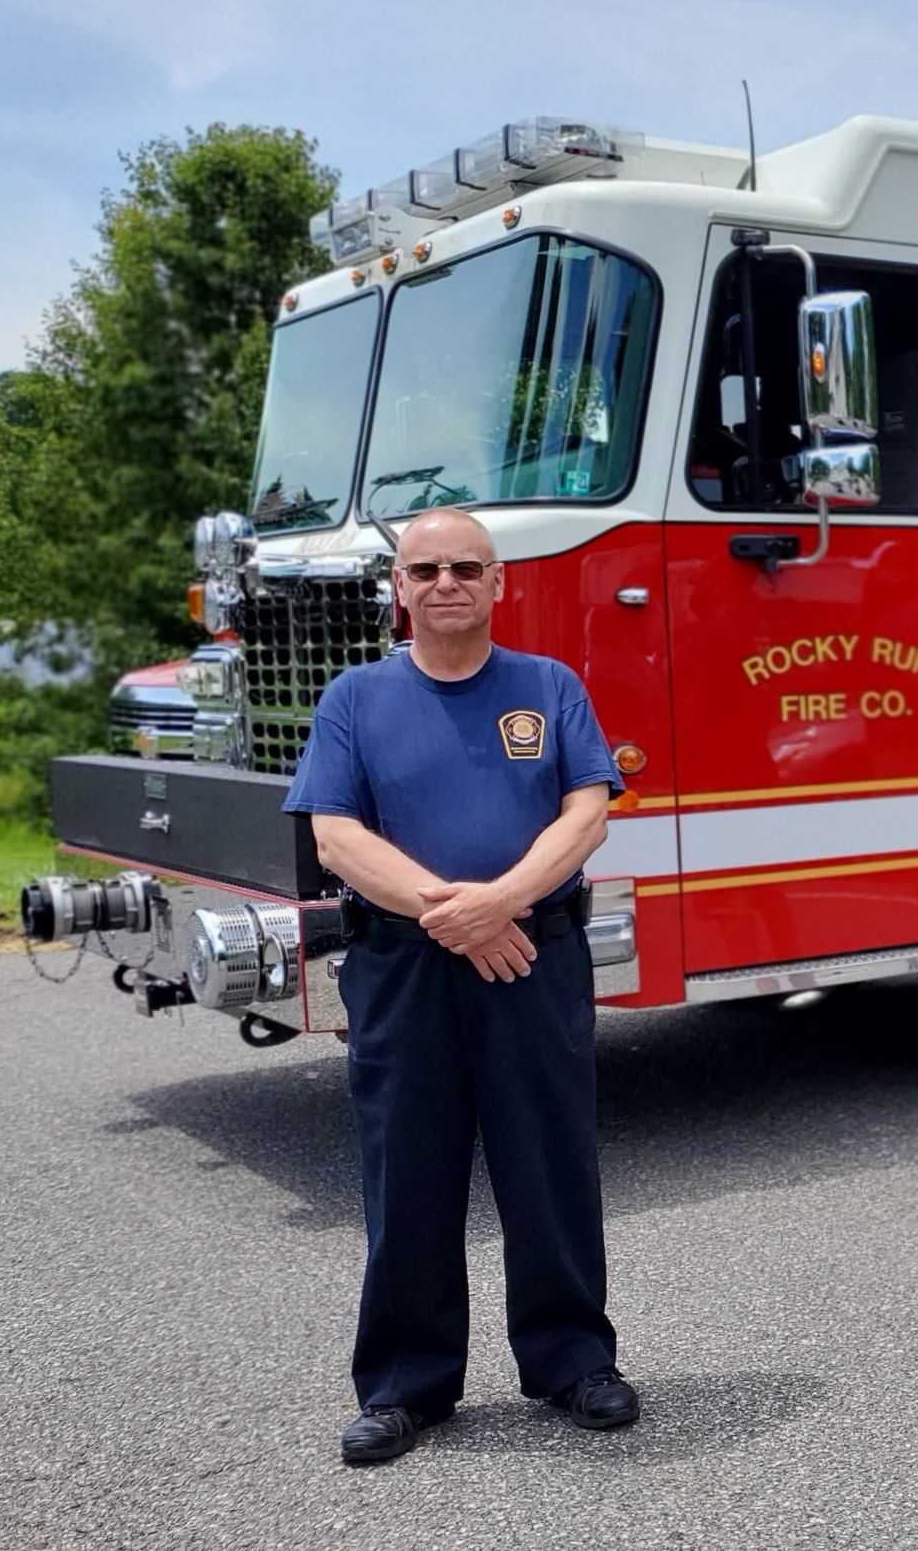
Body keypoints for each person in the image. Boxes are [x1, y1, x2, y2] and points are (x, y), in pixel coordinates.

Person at [285, 507, 637, 1464]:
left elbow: (586, 813)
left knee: (551, 1163)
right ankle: (406, 1386)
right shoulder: (355, 698)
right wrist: (461, 917)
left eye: (465, 568)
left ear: (497, 585)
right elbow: (336, 836)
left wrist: (505, 904)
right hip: (406, 967)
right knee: (409, 1173)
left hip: (534, 955)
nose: (446, 582)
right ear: (398, 588)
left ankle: (573, 1363)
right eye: (425, 568)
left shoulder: (548, 686)